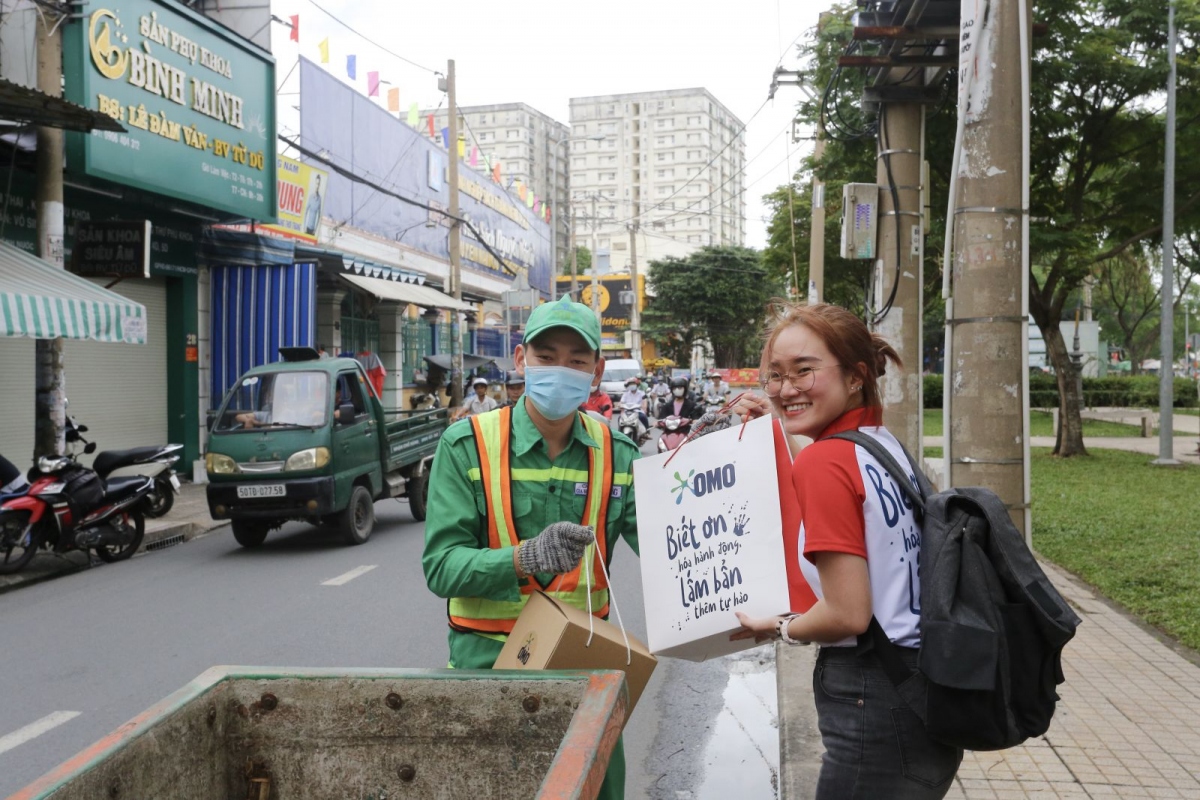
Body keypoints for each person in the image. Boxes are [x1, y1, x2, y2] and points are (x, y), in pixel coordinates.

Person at [723, 302, 962, 799]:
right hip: (924, 688)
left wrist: (778, 625)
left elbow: (847, 614)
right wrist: (778, 425)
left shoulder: (828, 463)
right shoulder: (880, 445)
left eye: (804, 372)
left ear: (855, 376)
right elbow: (832, 484)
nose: (786, 389)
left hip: (872, 701)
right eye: (775, 376)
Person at [422, 295, 640, 800]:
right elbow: (441, 567)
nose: (560, 370)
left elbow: (672, 554)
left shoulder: (618, 455)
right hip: (489, 668)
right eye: (546, 357)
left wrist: (715, 474)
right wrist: (524, 558)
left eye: (577, 360)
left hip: (584, 671)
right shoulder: (466, 444)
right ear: (521, 360)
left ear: (596, 371)